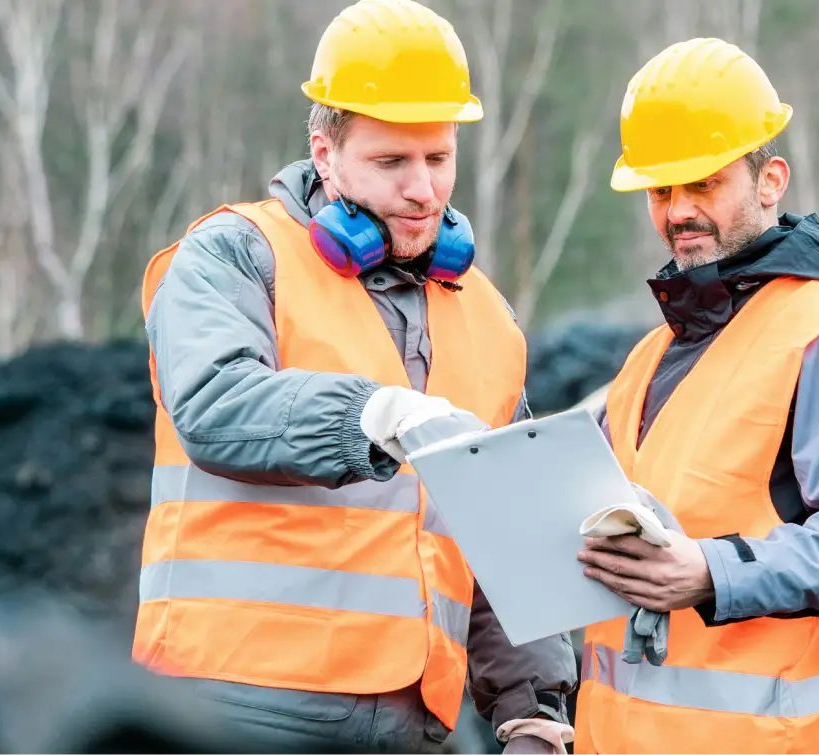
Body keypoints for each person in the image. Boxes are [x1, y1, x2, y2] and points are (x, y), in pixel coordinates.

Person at [130, 1, 577, 753]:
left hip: (407, 722)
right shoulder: (235, 256)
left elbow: (508, 531)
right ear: (324, 153)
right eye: (391, 162)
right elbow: (214, 404)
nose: (423, 191)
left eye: (438, 159)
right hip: (233, 704)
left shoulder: (488, 319)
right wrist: (377, 414)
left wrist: (533, 710)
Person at [570, 38, 819, 753]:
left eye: (703, 184)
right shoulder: (648, 360)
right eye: (662, 190)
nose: (679, 211)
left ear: (770, 181)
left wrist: (712, 572)